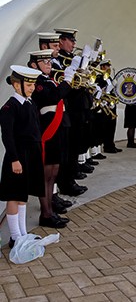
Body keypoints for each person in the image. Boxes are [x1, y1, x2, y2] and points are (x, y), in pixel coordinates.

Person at [29, 49, 77, 228]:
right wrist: (67, 80)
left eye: (49, 61)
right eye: (44, 62)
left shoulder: (49, 80)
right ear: (34, 65)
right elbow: (53, 96)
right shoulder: (38, 82)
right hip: (48, 130)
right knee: (46, 174)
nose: (49, 64)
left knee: (53, 174)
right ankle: (46, 213)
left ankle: (50, 210)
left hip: (56, 130)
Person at [0, 65, 45, 248]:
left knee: (23, 195)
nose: (32, 88)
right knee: (13, 195)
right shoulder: (9, 107)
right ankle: (15, 236)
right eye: (29, 84)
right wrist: (14, 159)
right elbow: (7, 136)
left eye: (34, 84)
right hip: (17, 156)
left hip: (30, 155)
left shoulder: (30, 103)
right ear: (17, 85)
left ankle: (23, 233)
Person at [53, 28, 88, 196]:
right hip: (66, 109)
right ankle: (65, 183)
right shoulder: (58, 62)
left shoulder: (66, 61)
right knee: (65, 151)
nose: (74, 44)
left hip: (72, 109)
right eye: (71, 40)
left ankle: (69, 179)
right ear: (61, 41)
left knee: (72, 148)